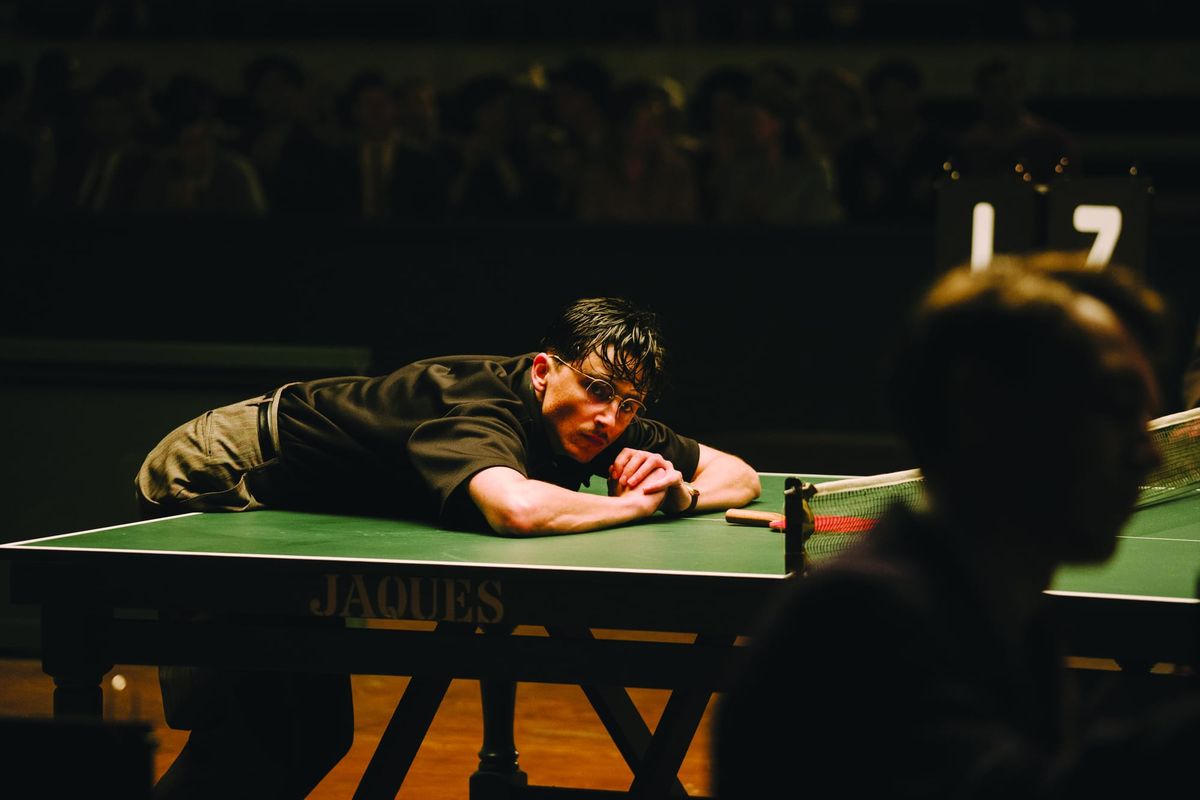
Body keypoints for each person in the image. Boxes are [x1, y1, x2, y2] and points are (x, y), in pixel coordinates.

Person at [136, 296, 760, 798]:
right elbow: (515, 508)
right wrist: (636, 504)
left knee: (316, 737)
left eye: (629, 405)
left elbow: (740, 476)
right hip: (224, 472)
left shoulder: (599, 423)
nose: (611, 419)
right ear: (543, 371)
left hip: (299, 501)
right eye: (598, 390)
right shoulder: (481, 409)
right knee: (259, 735)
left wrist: (679, 493)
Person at [713, 254, 1200, 798]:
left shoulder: (1005, 616)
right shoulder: (859, 623)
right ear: (985, 409)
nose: (1151, 456)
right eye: (1117, 407)